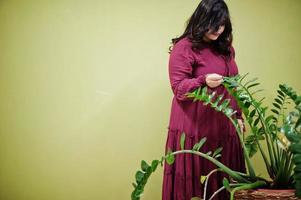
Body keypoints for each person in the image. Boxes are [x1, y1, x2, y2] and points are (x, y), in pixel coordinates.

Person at [162, 0, 246, 199]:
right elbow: (179, 89)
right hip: (195, 130)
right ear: (202, 20)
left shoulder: (226, 49)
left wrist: (239, 115)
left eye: (223, 23)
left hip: (224, 129)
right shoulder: (184, 47)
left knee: (224, 184)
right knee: (194, 189)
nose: (219, 29)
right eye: (214, 22)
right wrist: (203, 81)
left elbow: (233, 86)